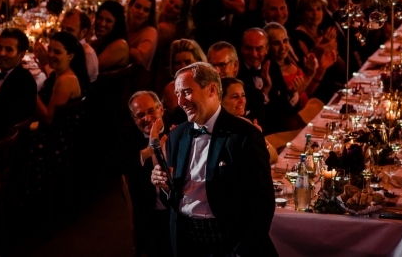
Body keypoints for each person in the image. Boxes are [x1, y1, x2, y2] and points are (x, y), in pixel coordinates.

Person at [150, 62, 277, 257]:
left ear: (211, 89)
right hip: (185, 243)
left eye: (187, 92)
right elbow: (174, 201)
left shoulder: (244, 136)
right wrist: (167, 189)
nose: (180, 102)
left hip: (228, 245)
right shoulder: (177, 136)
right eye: (178, 94)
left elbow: (262, 204)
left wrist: (241, 253)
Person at [107, 91, 171, 257]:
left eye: (151, 111)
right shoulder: (128, 138)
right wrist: (146, 153)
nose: (147, 119)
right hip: (152, 216)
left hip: (185, 210)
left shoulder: (178, 128)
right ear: (133, 118)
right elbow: (107, 167)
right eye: (140, 115)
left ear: (162, 109)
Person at [32, 31, 90, 170]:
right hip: (62, 137)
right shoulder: (63, 72)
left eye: (57, 52)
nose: (50, 55)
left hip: (55, 144)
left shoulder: (65, 80)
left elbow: (49, 119)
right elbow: (52, 76)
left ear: (70, 56)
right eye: (50, 49)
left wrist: (31, 93)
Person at [263, 23, 334, 132]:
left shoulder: (291, 60)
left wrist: (318, 72)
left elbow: (307, 92)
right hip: (293, 126)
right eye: (276, 43)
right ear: (267, 47)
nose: (283, 47)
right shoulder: (269, 71)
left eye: (285, 41)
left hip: (308, 116)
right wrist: (306, 81)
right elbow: (284, 108)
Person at [290, 0, 344, 102]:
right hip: (315, 95)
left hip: (331, 88)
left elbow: (341, 68)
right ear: (302, 13)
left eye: (318, 9)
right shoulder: (297, 37)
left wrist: (335, 52)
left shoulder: (322, 33)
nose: (315, 13)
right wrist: (320, 51)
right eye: (310, 10)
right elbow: (307, 72)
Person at [208, 41, 266, 130]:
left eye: (222, 65)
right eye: (212, 65)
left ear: (235, 65)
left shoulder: (254, 96)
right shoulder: (200, 97)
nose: (216, 71)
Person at [220, 76, 278, 163]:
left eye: (243, 96)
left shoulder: (246, 123)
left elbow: (274, 157)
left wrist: (259, 139)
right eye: (235, 97)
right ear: (219, 100)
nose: (241, 100)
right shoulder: (218, 127)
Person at [36, 9, 98, 83]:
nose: (63, 34)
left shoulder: (87, 54)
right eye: (62, 28)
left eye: (69, 30)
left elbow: (66, 85)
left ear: (83, 32)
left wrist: (47, 65)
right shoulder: (68, 48)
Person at [161, 39, 207, 115]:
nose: (183, 67)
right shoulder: (171, 89)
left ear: (199, 62)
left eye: (187, 62)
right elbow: (184, 117)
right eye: (178, 63)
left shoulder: (209, 83)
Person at [92, 0, 130, 72]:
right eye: (100, 18)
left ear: (117, 24)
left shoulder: (120, 45)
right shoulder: (104, 40)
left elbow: (91, 69)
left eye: (108, 21)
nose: (102, 24)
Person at [126, 0, 159, 71]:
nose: (140, 12)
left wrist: (120, 48)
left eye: (146, 10)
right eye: (137, 7)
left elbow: (141, 57)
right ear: (130, 7)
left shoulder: (150, 31)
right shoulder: (123, 25)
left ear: (149, 15)